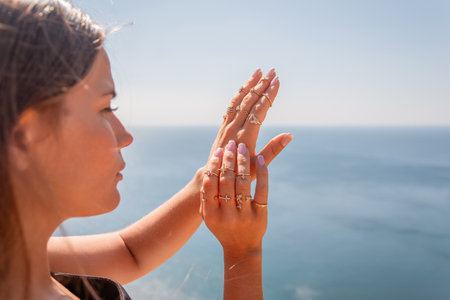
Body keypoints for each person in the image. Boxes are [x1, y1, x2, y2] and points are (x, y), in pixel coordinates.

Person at [0, 0, 293, 299]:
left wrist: (209, 178)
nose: (125, 136)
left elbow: (130, 253)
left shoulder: (19, 257)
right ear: (27, 135)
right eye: (105, 107)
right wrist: (244, 252)